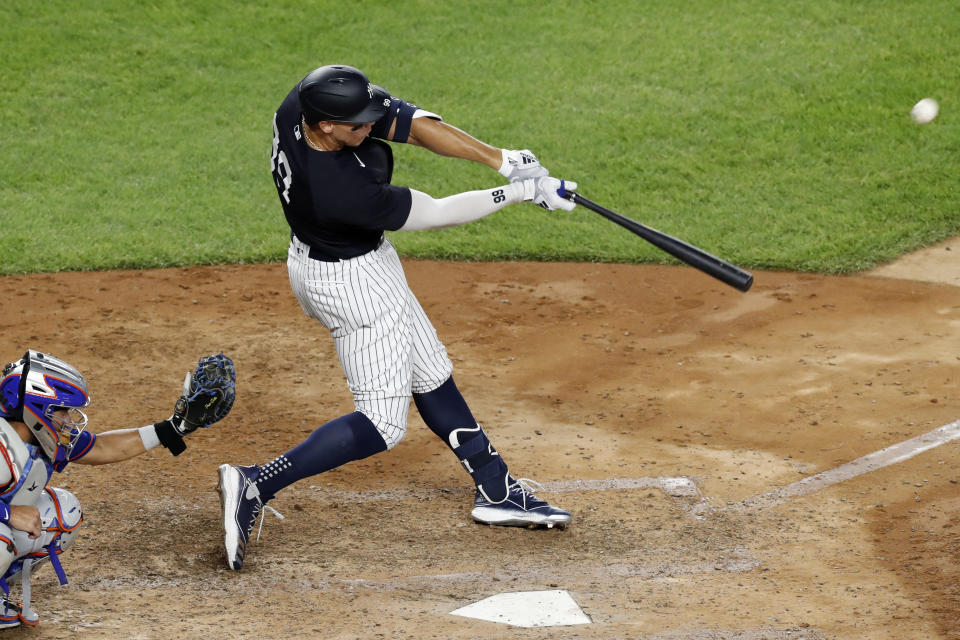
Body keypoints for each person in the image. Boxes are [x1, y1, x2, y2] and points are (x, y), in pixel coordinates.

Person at [217, 64, 579, 571]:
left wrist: (502, 161)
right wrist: (520, 192)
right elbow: (435, 213)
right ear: (325, 126)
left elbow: (407, 122)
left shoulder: (299, 107)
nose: (370, 127)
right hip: (353, 285)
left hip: (330, 260)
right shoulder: (338, 191)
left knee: (429, 370)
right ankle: (256, 482)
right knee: (383, 424)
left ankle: (496, 489)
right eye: (358, 124)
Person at [0, 350, 234, 628]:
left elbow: (100, 446)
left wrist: (172, 428)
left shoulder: (38, 438)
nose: (69, 420)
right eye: (62, 411)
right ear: (36, 410)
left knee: (63, 514)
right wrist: (9, 513)